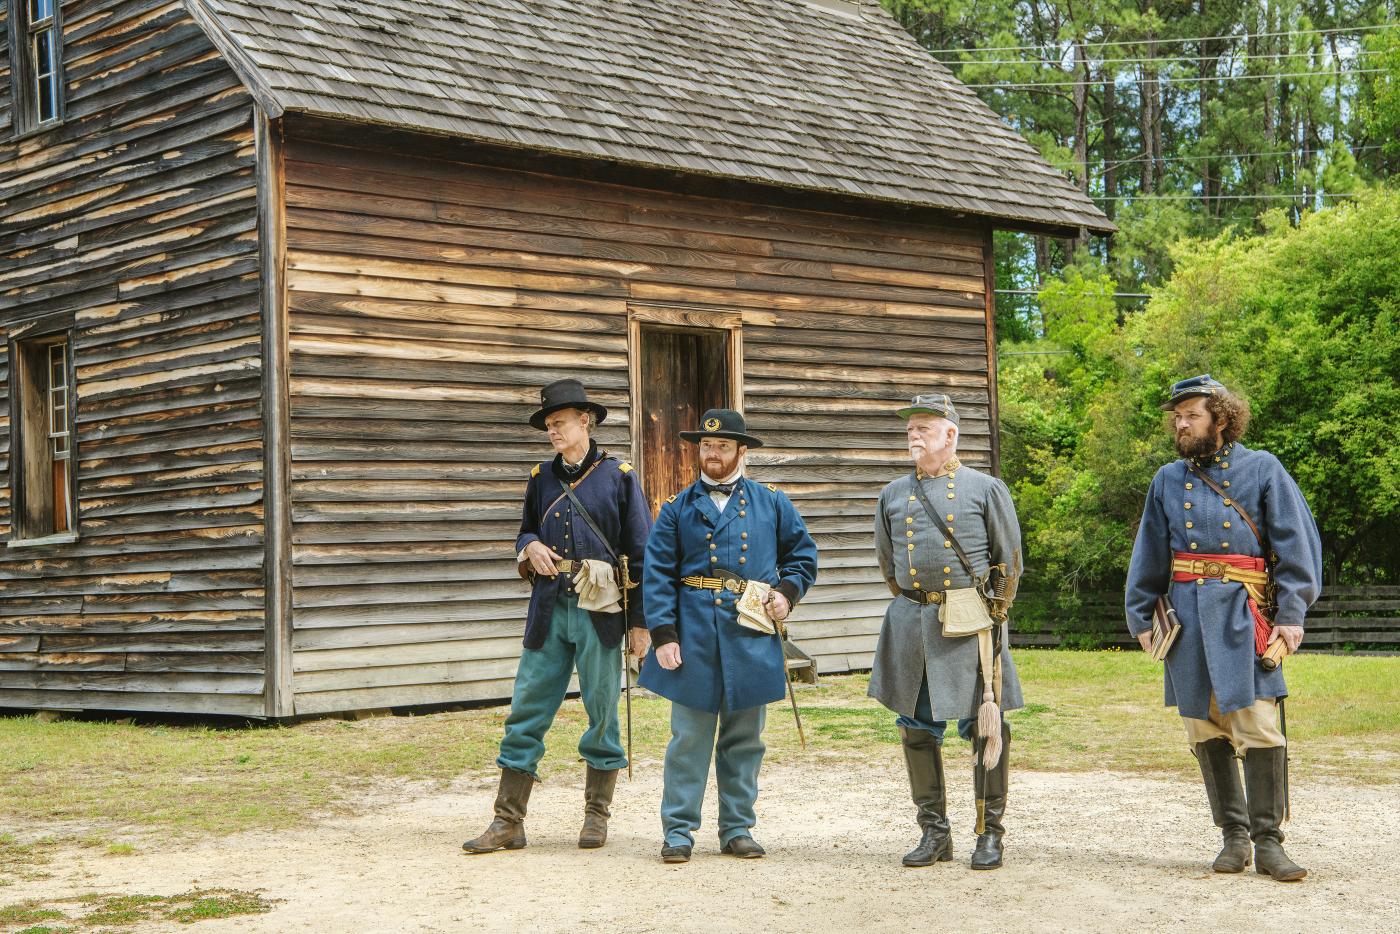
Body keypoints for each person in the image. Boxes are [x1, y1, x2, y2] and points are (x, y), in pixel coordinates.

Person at [1126, 374, 1322, 882]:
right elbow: (1148, 553)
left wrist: (1292, 616)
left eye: (1191, 414)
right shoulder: (1166, 480)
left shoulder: (1263, 469)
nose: (1181, 424)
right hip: (1186, 618)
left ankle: (1269, 842)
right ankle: (1233, 838)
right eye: (1177, 416)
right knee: (1203, 725)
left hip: (1245, 612)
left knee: (1258, 723)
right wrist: (1141, 615)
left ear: (1222, 417)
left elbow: (1297, 548)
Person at [463, 379, 652, 854]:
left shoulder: (621, 477)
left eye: (560, 423)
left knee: (603, 713)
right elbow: (524, 529)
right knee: (526, 710)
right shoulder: (540, 478)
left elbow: (644, 553)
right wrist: (529, 545)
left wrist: (641, 623)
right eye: (548, 425)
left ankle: (596, 816)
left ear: (584, 421)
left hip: (601, 612)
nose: (553, 432)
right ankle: (507, 821)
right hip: (549, 609)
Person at [638, 409, 818, 864]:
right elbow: (656, 574)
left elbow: (802, 556)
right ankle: (678, 832)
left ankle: (737, 828)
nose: (711, 454)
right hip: (693, 633)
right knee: (688, 740)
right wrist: (663, 635)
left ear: (741, 451)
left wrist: (786, 594)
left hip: (749, 634)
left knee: (745, 740)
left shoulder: (772, 502)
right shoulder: (678, 508)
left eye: (721, 446)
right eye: (705, 446)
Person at [869, 393, 1024, 870]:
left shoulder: (984, 488)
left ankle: (988, 833)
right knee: (916, 729)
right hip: (912, 626)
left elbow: (1009, 562)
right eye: (910, 427)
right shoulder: (893, 493)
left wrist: (991, 615)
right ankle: (934, 834)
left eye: (924, 427)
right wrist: (921, 602)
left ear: (951, 435)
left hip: (969, 626)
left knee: (985, 726)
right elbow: (887, 565)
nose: (913, 434)